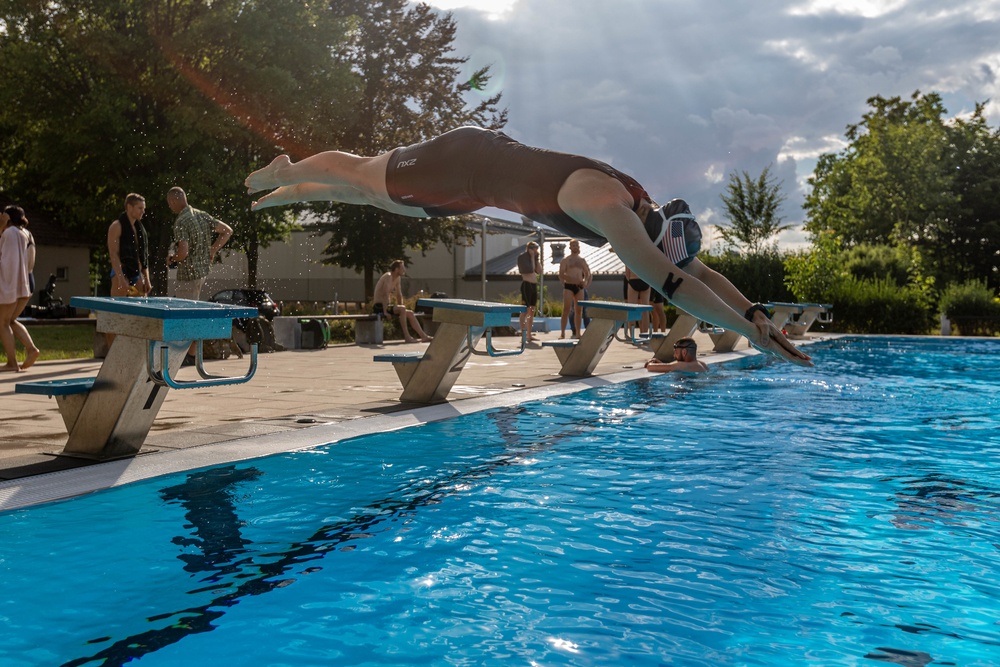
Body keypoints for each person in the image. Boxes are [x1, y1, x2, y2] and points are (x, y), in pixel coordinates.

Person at [245, 126, 811, 366]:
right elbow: (676, 282)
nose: (651, 253)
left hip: (471, 188)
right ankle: (289, 167)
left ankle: (286, 189)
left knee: (375, 200)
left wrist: (756, 315)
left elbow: (699, 273)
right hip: (460, 163)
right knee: (366, 176)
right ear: (652, 231)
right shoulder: (606, 206)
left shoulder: (641, 206)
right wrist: (750, 335)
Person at [165, 187, 234, 300]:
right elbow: (227, 231)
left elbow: (183, 252)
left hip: (188, 275)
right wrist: (212, 250)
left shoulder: (181, 221)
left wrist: (172, 258)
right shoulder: (201, 215)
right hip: (202, 272)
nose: (170, 207)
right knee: (193, 307)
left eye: (169, 204)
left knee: (185, 312)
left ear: (173, 201)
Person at [0, 206, 40, 371]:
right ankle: (31, 349)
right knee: (9, 321)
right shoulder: (25, 233)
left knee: (3, 323)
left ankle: (12, 363)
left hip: (12, 284)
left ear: (8, 217)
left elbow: (8, 262)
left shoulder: (10, 233)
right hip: (24, 283)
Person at [372, 260, 432, 343]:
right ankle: (407, 337)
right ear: (397, 269)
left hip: (386, 306)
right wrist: (385, 312)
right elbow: (385, 294)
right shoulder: (388, 276)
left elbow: (399, 295)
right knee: (402, 309)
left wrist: (402, 309)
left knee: (410, 313)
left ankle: (424, 336)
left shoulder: (397, 278)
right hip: (379, 306)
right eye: (402, 268)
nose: (404, 270)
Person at [107, 193, 151, 297]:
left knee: (142, 304)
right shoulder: (117, 226)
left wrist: (147, 279)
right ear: (129, 207)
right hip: (121, 270)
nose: (143, 211)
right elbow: (113, 254)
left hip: (136, 271)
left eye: (143, 208)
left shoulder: (140, 229)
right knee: (119, 307)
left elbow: (143, 257)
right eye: (140, 208)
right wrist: (121, 279)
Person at [558, 239, 591, 338]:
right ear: (570, 247)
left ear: (579, 247)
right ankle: (562, 333)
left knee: (579, 310)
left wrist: (585, 282)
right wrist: (567, 281)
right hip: (569, 286)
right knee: (566, 309)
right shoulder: (566, 260)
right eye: (573, 245)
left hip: (579, 287)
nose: (575, 247)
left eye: (576, 245)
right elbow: (561, 274)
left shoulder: (581, 260)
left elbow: (587, 273)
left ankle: (578, 333)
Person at [516, 241, 542, 342]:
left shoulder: (534, 258)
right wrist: (531, 257)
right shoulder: (522, 258)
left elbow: (539, 270)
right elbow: (530, 270)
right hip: (526, 285)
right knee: (525, 310)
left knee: (532, 310)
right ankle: (523, 332)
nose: (536, 251)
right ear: (530, 249)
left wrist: (536, 258)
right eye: (534, 249)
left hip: (533, 285)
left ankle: (529, 334)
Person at [624, 266, 652, 336]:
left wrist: (630, 281)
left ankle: (632, 336)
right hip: (645, 279)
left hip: (633, 278)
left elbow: (627, 273)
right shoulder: (648, 255)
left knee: (631, 310)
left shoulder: (629, 255)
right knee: (645, 311)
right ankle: (645, 336)